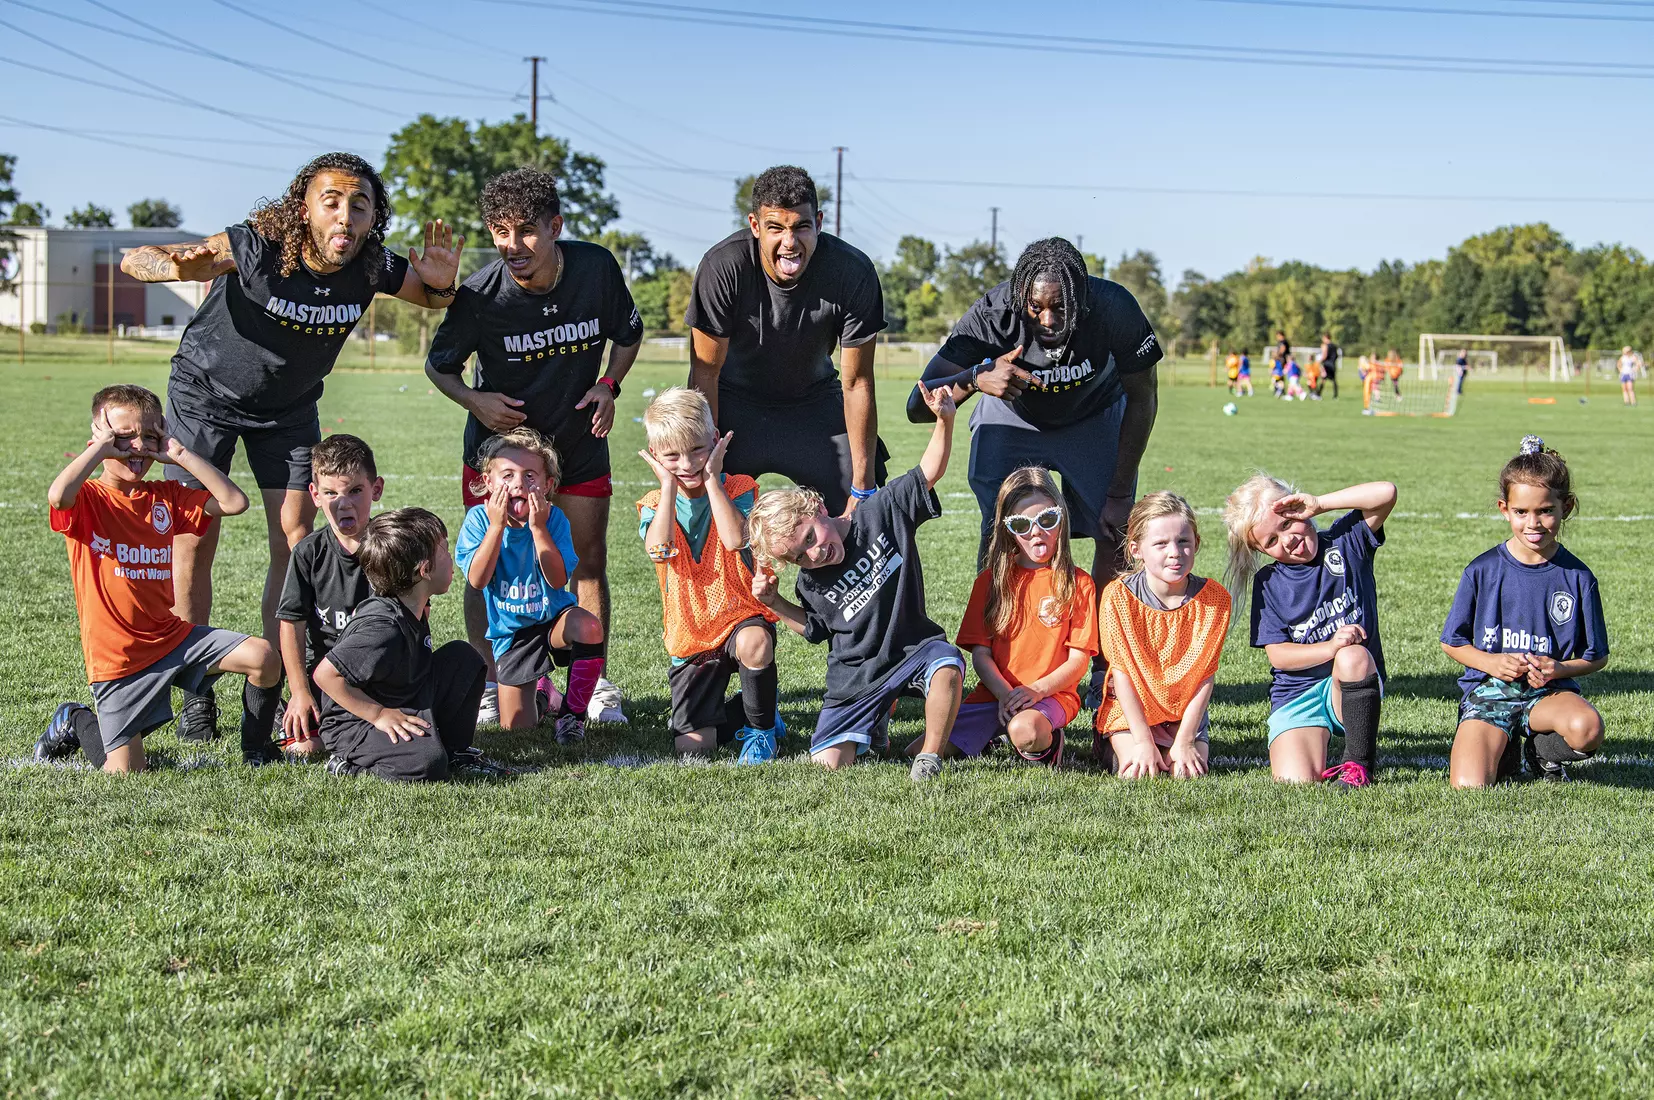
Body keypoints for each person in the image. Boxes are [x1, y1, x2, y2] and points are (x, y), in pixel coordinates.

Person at [119, 152, 463, 742]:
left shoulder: (372, 264)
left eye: (360, 205)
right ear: (304, 207)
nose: (345, 216)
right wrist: (159, 263)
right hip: (206, 395)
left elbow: (434, 299)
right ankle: (195, 687)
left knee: (297, 537)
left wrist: (440, 279)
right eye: (331, 201)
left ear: (373, 217)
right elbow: (164, 258)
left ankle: (282, 686)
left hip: (289, 411)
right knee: (194, 539)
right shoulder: (257, 246)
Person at [426, 167, 642, 725]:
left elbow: (629, 333)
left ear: (555, 226)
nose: (511, 245)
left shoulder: (595, 267)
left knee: (589, 562)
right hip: (502, 458)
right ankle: (487, 681)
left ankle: (591, 685)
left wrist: (608, 384)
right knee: (485, 562)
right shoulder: (479, 293)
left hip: (580, 441)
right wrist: (476, 402)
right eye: (499, 231)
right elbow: (438, 365)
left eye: (524, 230)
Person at [906, 237, 1161, 709]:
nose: (1047, 320)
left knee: (1116, 529)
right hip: (1014, 417)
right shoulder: (994, 312)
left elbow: (1144, 396)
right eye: (1036, 307)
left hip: (1092, 415)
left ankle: (1104, 663)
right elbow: (916, 406)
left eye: (1060, 307)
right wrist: (976, 378)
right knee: (1002, 532)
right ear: (1019, 297)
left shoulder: (1113, 307)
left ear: (1081, 299)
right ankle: (998, 662)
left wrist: (1121, 490)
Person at [36, 384, 282, 772]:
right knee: (127, 775)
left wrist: (179, 453)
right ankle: (75, 719)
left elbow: (235, 503)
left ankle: (256, 751)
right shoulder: (89, 499)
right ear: (100, 439)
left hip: (172, 639)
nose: (137, 447)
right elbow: (58, 496)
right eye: (123, 437)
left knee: (265, 658)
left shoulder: (165, 495)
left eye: (148, 436)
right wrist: (99, 450)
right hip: (118, 661)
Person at [747, 382, 964, 781]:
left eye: (810, 537)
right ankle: (873, 722)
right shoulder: (810, 584)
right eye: (799, 556)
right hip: (855, 677)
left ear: (819, 508)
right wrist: (776, 602)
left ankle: (929, 758)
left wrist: (944, 422)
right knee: (826, 768)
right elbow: (814, 630)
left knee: (948, 663)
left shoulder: (881, 511)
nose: (813, 554)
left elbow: (928, 472)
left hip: (912, 648)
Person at [686, 165, 887, 516]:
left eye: (801, 226)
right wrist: (705, 465)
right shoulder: (723, 266)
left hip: (813, 402)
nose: (789, 242)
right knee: (711, 514)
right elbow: (705, 375)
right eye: (775, 228)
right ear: (754, 226)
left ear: (819, 223)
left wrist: (862, 488)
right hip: (735, 406)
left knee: (868, 511)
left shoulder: (852, 271)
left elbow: (857, 382)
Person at [1443, 436, 1608, 787]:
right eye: (1521, 512)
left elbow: (1596, 656)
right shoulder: (1482, 570)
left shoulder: (1578, 577)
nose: (1533, 523)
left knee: (1588, 728)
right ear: (1505, 509)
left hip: (1546, 695)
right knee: (1468, 785)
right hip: (1490, 690)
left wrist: (1558, 668)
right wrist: (1491, 663)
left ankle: (1543, 752)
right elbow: (1451, 642)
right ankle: (1501, 749)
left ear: (1567, 506)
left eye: (1546, 510)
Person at [636, 387, 784, 763]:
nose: (687, 464)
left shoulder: (739, 487)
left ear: (716, 441)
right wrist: (668, 487)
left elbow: (737, 540)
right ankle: (752, 708)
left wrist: (714, 481)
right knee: (694, 751)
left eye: (698, 451)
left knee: (755, 642)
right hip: (690, 632)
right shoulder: (654, 504)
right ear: (655, 456)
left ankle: (761, 730)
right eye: (672, 456)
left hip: (737, 613)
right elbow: (660, 550)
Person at [1223, 475, 1396, 788]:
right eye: (1271, 541)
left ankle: (1358, 763)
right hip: (1297, 695)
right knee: (1296, 781)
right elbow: (1279, 657)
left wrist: (1321, 504)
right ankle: (1316, 735)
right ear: (1259, 549)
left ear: (1299, 508)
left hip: (1349, 682)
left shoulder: (1347, 543)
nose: (1286, 540)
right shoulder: (1269, 582)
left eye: (1287, 524)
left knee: (1352, 655)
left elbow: (1386, 493)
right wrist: (1329, 647)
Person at [313, 508, 503, 781]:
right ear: (425, 570)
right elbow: (326, 674)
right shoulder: (383, 628)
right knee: (428, 763)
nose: (451, 559)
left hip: (401, 696)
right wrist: (377, 714)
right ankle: (347, 763)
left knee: (465, 659)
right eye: (445, 551)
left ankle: (455, 751)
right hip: (356, 723)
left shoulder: (413, 605)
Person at [456, 429, 605, 745]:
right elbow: (477, 579)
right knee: (518, 730)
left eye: (530, 475)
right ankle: (544, 696)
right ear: (488, 482)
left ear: (548, 485)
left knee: (589, 626)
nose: (519, 484)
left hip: (553, 623)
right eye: (507, 475)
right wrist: (497, 526)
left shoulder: (554, 519)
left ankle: (571, 716)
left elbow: (558, 580)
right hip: (513, 635)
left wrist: (538, 528)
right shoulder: (479, 521)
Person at [948, 467, 1099, 768]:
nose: (1036, 531)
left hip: (1052, 695)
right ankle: (997, 733)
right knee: (925, 747)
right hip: (996, 695)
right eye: (1021, 523)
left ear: (1061, 519)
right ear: (1008, 529)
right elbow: (981, 655)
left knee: (1025, 731)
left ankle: (1047, 742)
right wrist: (1005, 694)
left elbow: (1078, 660)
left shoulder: (1078, 583)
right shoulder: (990, 582)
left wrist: (1035, 691)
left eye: (1047, 519)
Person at [1095, 492, 1231, 779]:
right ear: (1136, 549)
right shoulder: (1118, 597)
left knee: (1184, 772)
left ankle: (1175, 743)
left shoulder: (1215, 599)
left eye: (1183, 541)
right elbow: (1122, 675)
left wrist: (1185, 741)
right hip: (1131, 710)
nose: (1175, 552)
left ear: (1196, 542)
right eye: (1160, 544)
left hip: (1183, 716)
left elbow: (1205, 676)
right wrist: (1143, 742)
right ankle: (1110, 741)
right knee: (1140, 772)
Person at [272, 434, 382, 758]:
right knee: (307, 749)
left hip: (378, 671)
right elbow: (291, 624)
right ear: (315, 495)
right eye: (331, 492)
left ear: (376, 489)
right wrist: (299, 691)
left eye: (355, 491)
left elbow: (418, 618)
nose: (343, 503)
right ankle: (288, 711)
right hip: (323, 673)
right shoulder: (308, 553)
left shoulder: (391, 547)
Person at [1318, 332, 1340, 398]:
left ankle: (1318, 393)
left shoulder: (1326, 346)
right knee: (1333, 380)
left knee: (1323, 378)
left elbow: (1325, 355)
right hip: (1332, 364)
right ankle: (1335, 395)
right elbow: (1336, 355)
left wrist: (1320, 361)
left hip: (1327, 365)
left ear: (1325, 337)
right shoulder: (1334, 346)